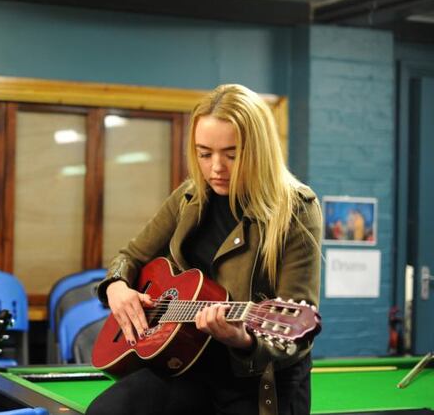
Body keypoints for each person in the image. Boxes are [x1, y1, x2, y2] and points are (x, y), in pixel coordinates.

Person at [87, 84, 322, 415]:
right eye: (204, 153)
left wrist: (243, 339)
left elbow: (296, 336)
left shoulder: (297, 209)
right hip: (187, 364)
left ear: (259, 149)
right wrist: (116, 287)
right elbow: (131, 256)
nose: (216, 169)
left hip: (254, 380)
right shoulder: (189, 196)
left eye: (232, 154)